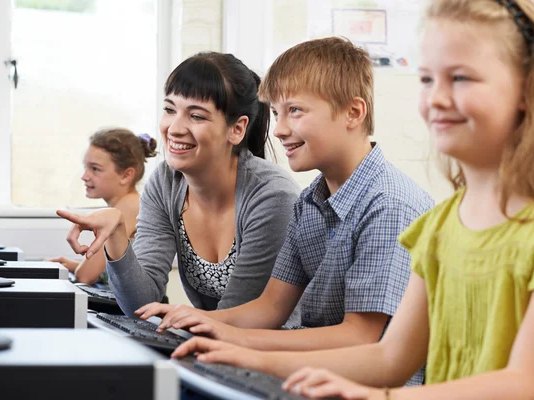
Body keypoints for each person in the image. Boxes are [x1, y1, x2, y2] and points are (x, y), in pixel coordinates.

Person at [173, 0, 534, 398]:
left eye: (461, 78)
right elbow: (389, 356)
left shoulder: (395, 206)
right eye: (428, 80)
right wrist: (243, 355)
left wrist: (379, 397)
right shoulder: (440, 227)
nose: (437, 99)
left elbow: (521, 382)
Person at [144, 37, 434, 384]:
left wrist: (241, 344)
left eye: (294, 111)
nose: (279, 129)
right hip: (319, 379)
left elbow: (360, 336)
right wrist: (192, 319)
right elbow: (270, 307)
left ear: (353, 113)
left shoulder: (387, 205)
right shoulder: (311, 200)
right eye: (277, 113)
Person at [57, 52, 300, 315]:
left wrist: (179, 318)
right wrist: (116, 235)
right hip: (211, 344)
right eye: (170, 110)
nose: (174, 128)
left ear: (237, 129)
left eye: (196, 116)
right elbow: (139, 304)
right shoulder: (165, 183)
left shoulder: (272, 195)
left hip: (273, 348)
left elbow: (240, 313)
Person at [50, 128, 156, 286]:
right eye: (85, 167)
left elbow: (85, 276)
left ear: (126, 175)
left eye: (95, 169)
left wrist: (80, 270)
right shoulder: (127, 203)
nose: (84, 176)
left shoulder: (130, 205)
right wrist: (71, 266)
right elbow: (111, 270)